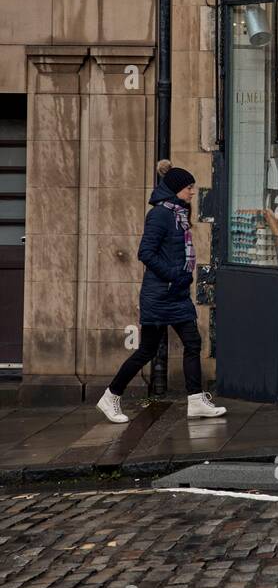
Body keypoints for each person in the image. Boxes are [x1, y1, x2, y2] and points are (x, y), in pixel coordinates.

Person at [97, 160, 227, 423]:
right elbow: (145, 252)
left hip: (175, 293)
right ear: (177, 189)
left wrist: (179, 279)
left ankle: (195, 400)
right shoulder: (160, 214)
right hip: (160, 293)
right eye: (189, 188)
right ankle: (110, 397)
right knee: (146, 350)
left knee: (192, 342)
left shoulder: (178, 213)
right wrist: (174, 275)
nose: (192, 192)